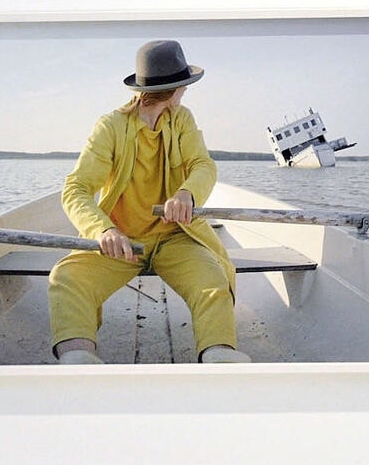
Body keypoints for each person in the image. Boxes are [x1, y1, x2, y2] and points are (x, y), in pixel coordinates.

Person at [48, 40, 250, 364]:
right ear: (175, 89)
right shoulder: (111, 126)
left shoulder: (182, 119)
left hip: (176, 238)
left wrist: (186, 194)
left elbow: (202, 164)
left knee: (213, 279)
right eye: (184, 86)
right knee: (67, 277)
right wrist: (103, 230)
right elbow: (76, 188)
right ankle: (78, 359)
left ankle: (218, 355)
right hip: (121, 244)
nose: (186, 92)